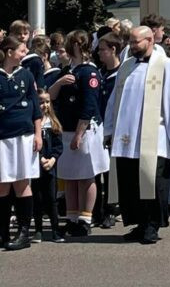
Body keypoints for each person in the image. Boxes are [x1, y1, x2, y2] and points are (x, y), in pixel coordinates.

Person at [103, 25, 170, 245]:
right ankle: (139, 223)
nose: (132, 47)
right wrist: (110, 129)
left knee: (152, 182)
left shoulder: (165, 65)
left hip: (155, 137)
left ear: (150, 40)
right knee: (131, 182)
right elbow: (114, 100)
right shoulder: (126, 67)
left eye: (135, 42)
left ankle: (153, 225)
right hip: (127, 138)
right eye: (130, 42)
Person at [49, 30, 109, 237]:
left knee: (86, 176)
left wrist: (78, 135)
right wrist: (58, 83)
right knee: (70, 177)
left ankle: (86, 217)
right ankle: (72, 217)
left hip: (84, 130)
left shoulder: (88, 72)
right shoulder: (67, 70)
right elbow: (50, 96)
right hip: (65, 128)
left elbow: (89, 106)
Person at [0, 35, 42, 251]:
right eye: (21, 51)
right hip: (2, 137)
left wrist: (38, 134)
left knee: (22, 183)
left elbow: (36, 107)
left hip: (23, 136)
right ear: (9, 52)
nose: (24, 54)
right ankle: (3, 232)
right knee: (2, 185)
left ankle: (24, 232)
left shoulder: (26, 74)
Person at [95, 32, 122, 229]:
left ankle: (112, 208)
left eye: (103, 50)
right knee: (96, 170)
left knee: (112, 173)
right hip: (98, 128)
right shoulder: (99, 73)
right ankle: (96, 210)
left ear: (113, 50)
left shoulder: (123, 74)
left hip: (115, 128)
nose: (99, 53)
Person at [31, 91, 64, 244]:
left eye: (47, 102)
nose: (44, 105)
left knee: (51, 198)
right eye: (41, 102)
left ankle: (55, 230)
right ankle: (38, 230)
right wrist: (40, 158)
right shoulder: (32, 124)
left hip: (50, 168)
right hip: (36, 167)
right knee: (37, 198)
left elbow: (58, 146)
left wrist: (53, 159)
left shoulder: (53, 123)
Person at [9, 21, 45, 91]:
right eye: (18, 33)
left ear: (29, 35)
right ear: (11, 34)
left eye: (25, 33)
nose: (22, 36)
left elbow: (40, 86)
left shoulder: (35, 59)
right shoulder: (6, 57)